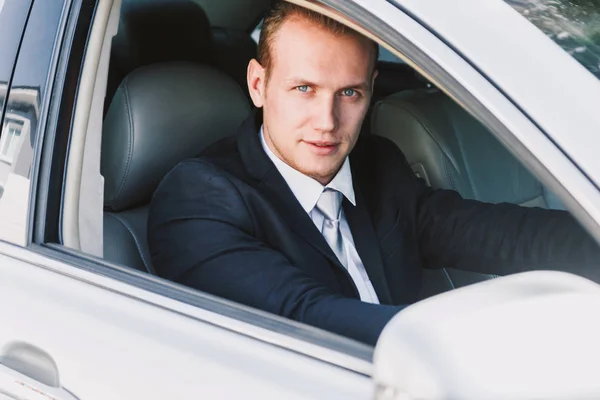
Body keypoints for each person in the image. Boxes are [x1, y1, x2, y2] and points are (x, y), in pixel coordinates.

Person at [147, 2, 600, 345]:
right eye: (303, 88)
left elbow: (496, 233)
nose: (327, 120)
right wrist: (493, 344)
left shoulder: (375, 165)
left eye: (349, 93)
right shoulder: (199, 197)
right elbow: (303, 315)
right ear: (259, 85)